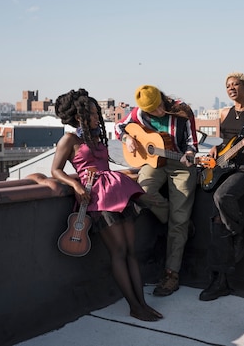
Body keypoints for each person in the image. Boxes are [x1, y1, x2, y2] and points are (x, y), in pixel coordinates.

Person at [51, 88, 163, 322]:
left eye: (95, 112)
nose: (95, 117)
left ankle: (142, 303)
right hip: (97, 199)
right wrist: (75, 186)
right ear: (78, 115)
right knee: (118, 252)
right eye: (90, 113)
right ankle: (134, 306)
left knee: (131, 252)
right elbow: (56, 170)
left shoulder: (95, 137)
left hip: (117, 192)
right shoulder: (69, 139)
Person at [115, 85, 198, 297]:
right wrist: (128, 139)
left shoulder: (182, 111)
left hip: (180, 164)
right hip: (154, 163)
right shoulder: (137, 113)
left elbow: (192, 143)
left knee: (179, 221)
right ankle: (179, 221)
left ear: (163, 97)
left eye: (160, 106)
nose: (159, 112)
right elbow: (119, 127)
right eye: (153, 111)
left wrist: (188, 154)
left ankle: (171, 274)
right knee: (141, 190)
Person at [198, 72, 244, 301]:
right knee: (217, 221)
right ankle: (220, 281)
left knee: (222, 196)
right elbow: (220, 145)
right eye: (228, 85)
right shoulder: (223, 113)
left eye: (236, 84)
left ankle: (239, 231)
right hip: (226, 167)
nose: (231, 88)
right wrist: (213, 151)